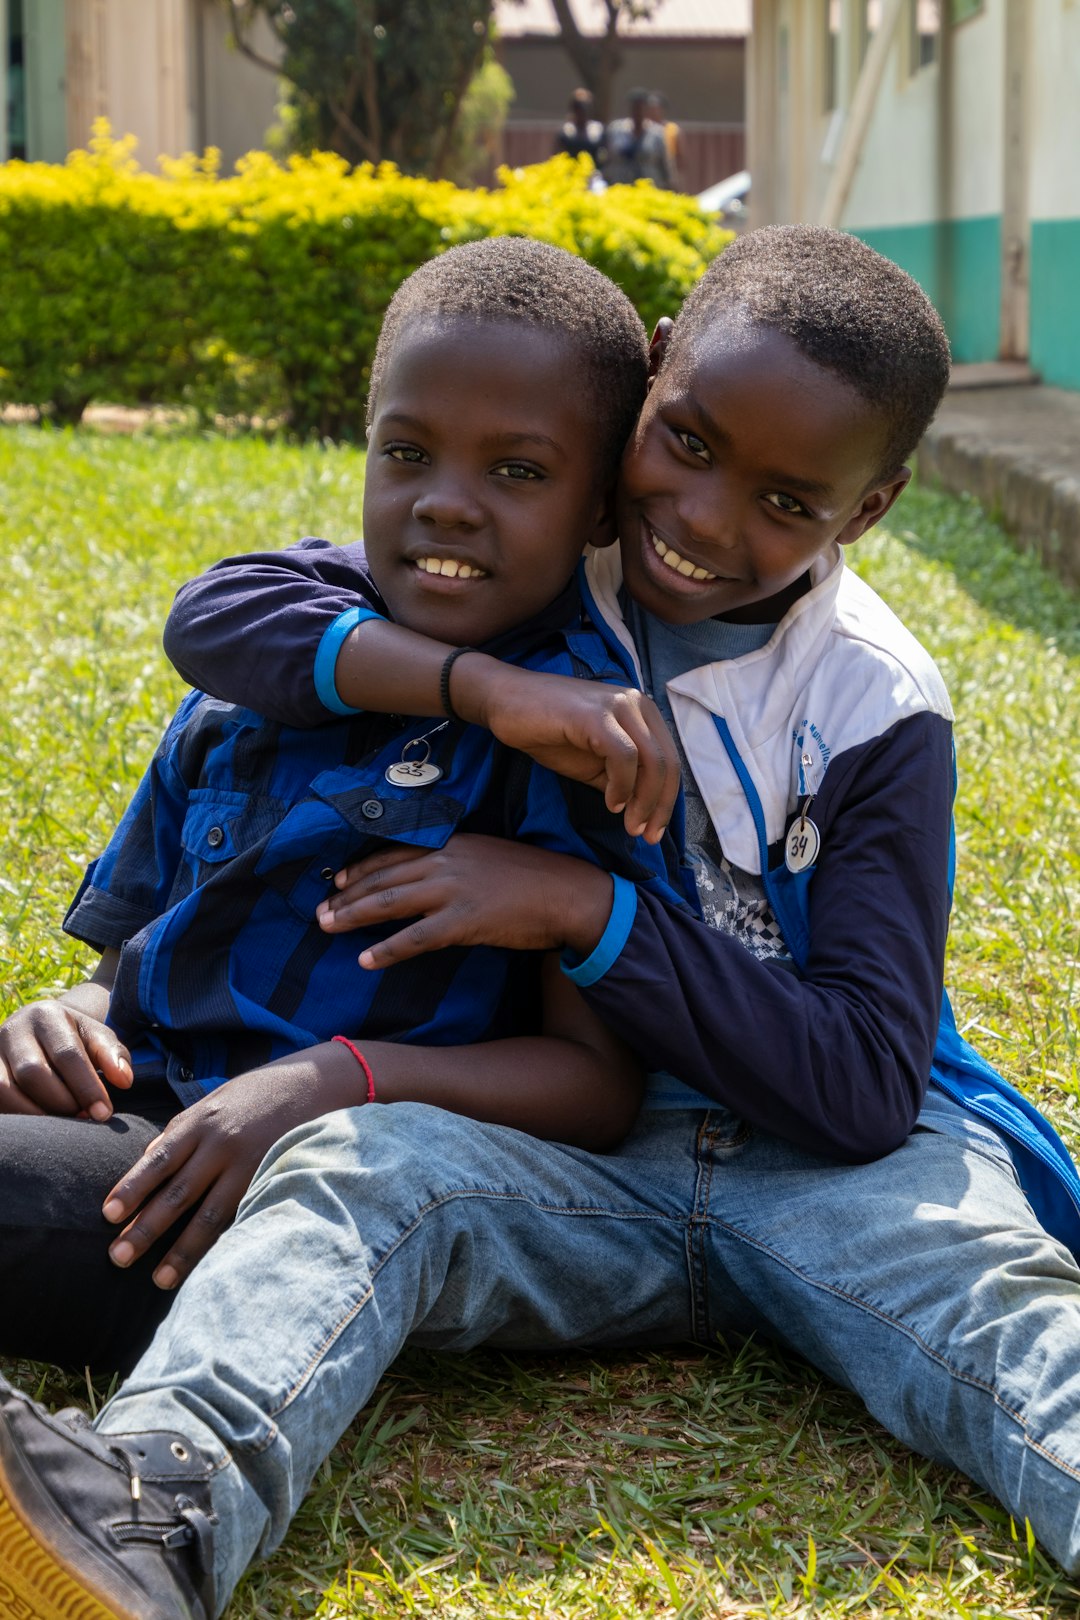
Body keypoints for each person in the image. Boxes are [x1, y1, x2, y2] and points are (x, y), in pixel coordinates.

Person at [4, 227, 1080, 1620]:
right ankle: (152, 1516)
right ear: (649, 374)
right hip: (569, 1153)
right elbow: (230, 621)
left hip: (831, 1167)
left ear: (865, 512)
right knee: (358, 1171)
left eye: (785, 499)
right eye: (683, 441)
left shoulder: (876, 707)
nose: (701, 516)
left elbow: (869, 1087)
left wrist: (585, 908)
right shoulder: (533, 555)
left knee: (1000, 1310)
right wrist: (488, 692)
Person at [0, 236, 691, 1377]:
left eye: (518, 471)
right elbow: (134, 959)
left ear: (603, 506)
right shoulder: (272, 663)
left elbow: (597, 1087)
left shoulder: (581, 741)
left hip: (281, 1197)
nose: (447, 506)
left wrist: (334, 1080)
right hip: (136, 1102)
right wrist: (60, 1018)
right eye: (407, 452)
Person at [603, 87, 672, 188]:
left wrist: (670, 185)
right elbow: (607, 159)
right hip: (620, 186)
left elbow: (665, 165)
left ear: (646, 109)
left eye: (641, 108)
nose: (638, 112)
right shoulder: (616, 130)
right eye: (635, 108)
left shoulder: (657, 133)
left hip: (648, 186)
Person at [554, 86, 606, 172]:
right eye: (578, 107)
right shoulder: (566, 131)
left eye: (586, 107)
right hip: (570, 173)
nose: (582, 111)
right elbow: (557, 155)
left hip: (593, 174)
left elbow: (605, 155)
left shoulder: (598, 130)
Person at [645, 91, 682, 190]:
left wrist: (677, 179)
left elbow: (680, 157)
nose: (652, 112)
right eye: (649, 109)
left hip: (667, 172)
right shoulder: (644, 129)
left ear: (662, 110)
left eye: (655, 108)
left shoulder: (672, 129)